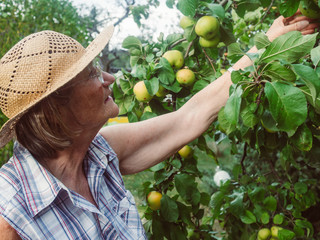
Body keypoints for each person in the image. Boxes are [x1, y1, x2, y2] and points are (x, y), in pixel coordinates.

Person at [0, 12, 317, 239]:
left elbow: (189, 117)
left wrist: (265, 47)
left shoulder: (101, 152)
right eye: (93, 75)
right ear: (57, 108)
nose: (109, 78)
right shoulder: (10, 211)